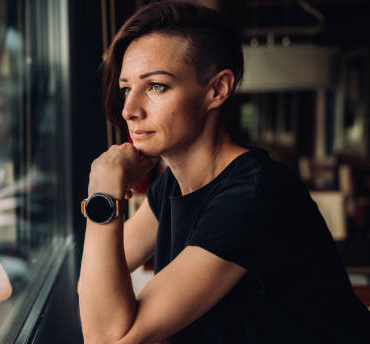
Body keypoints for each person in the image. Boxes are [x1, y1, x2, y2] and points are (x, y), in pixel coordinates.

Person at [77, 1, 370, 343]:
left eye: (156, 86)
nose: (129, 109)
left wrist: (103, 192)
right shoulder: (171, 186)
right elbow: (91, 286)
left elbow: (107, 339)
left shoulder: (254, 195)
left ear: (217, 90)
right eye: (127, 88)